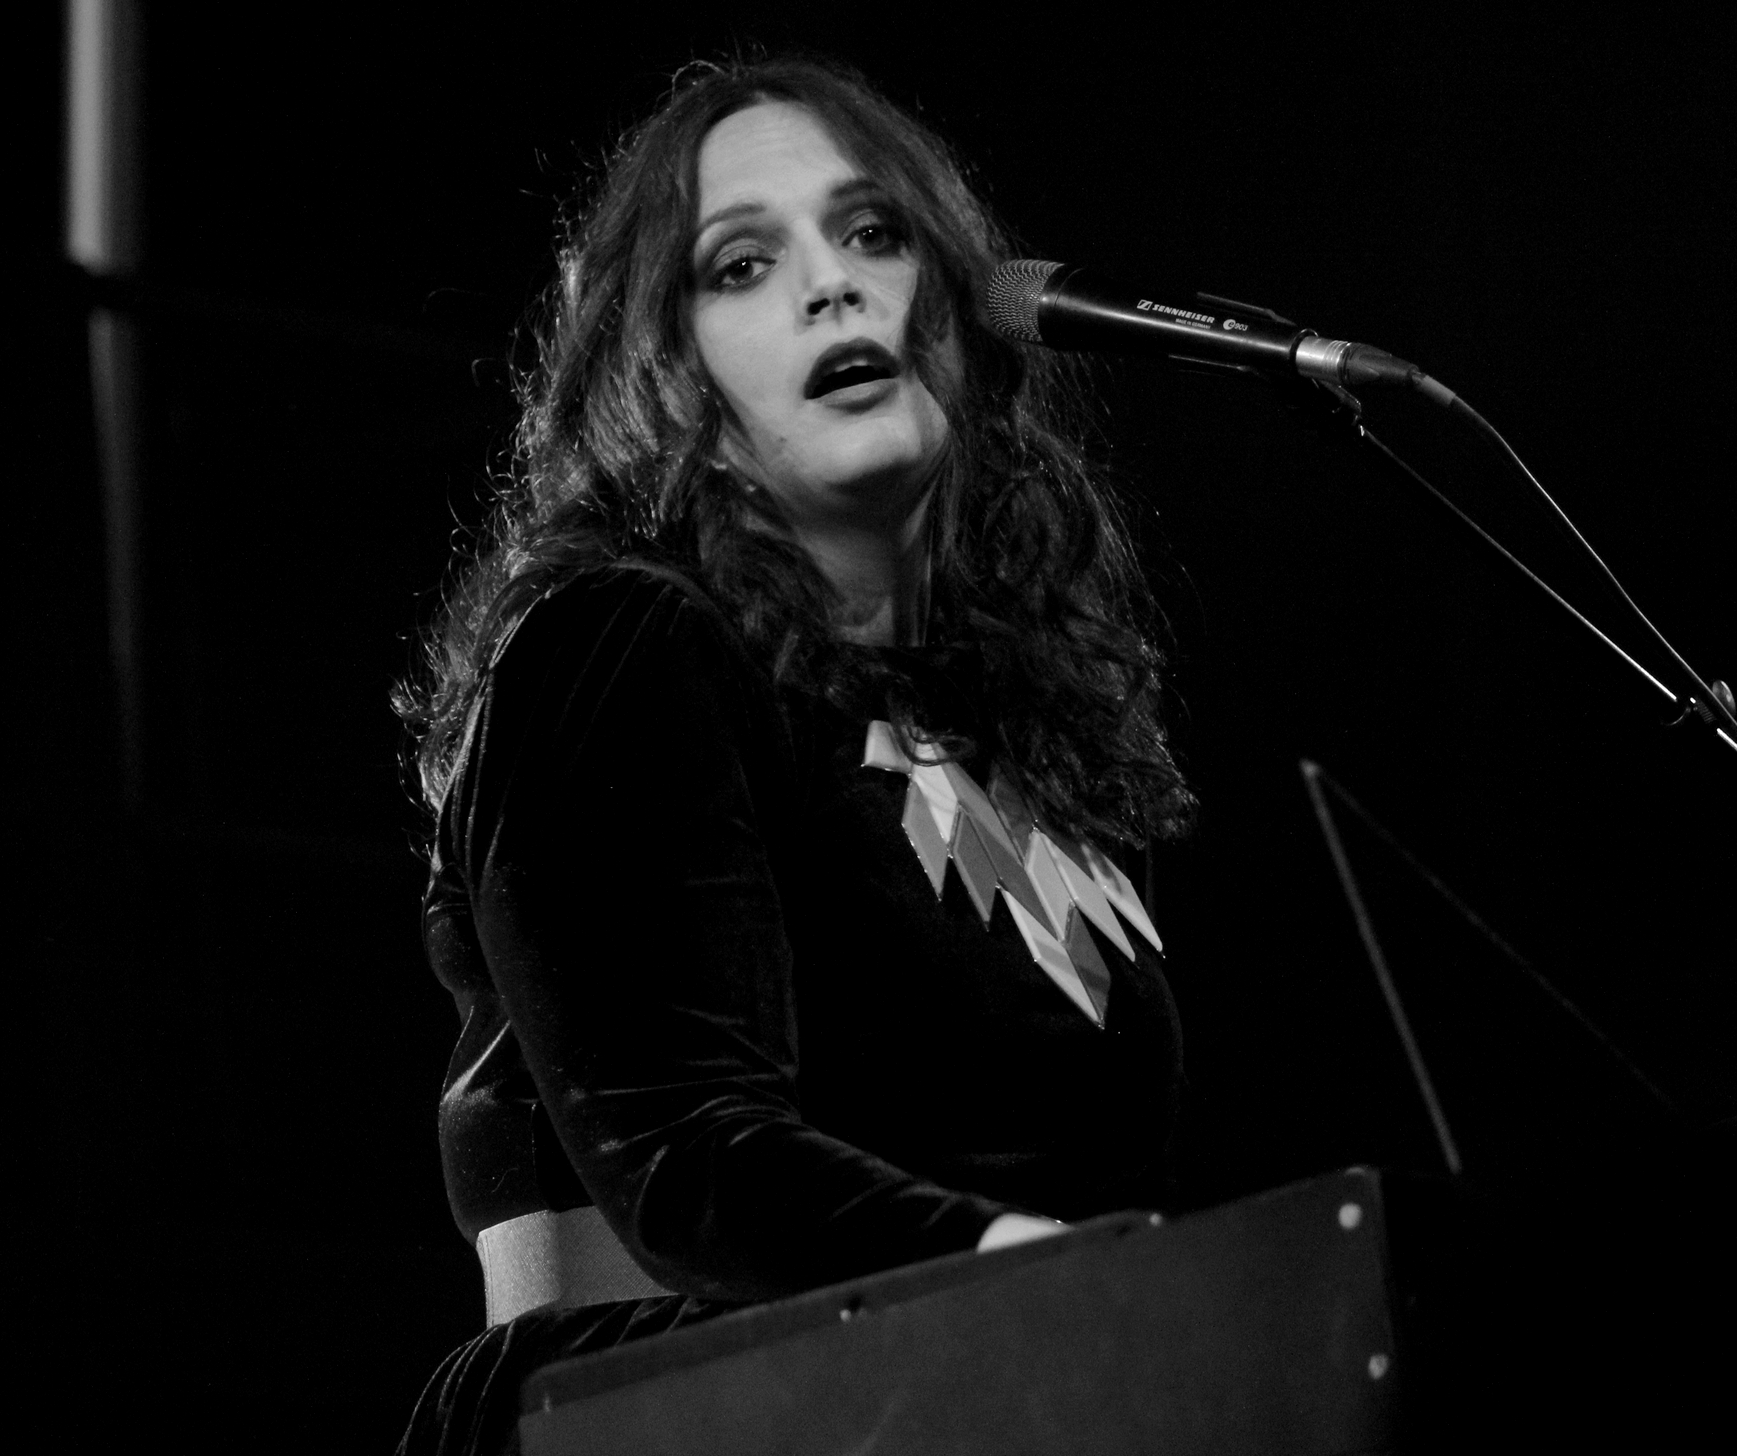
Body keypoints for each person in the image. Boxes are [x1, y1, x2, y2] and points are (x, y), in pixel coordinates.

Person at [392, 56, 1194, 1454]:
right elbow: (689, 1157)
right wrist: (1044, 1276)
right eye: (744, 264)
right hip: (671, 1411)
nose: (833, 286)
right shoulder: (620, 640)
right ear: (666, 364)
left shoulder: (1019, 744)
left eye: (875, 233)